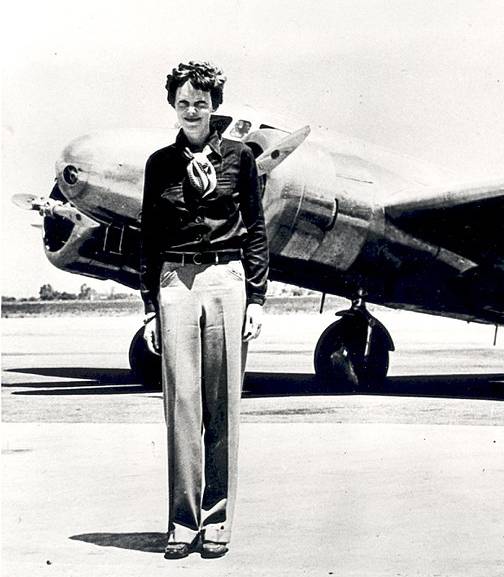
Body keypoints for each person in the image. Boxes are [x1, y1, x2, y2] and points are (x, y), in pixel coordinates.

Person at [139, 61, 269, 560]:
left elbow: (255, 230)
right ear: (172, 105)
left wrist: (256, 299)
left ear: (214, 105)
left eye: (201, 102)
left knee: (222, 409)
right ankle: (181, 522)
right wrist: (151, 307)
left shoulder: (240, 159)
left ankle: (216, 523)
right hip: (175, 281)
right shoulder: (159, 165)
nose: (191, 110)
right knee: (181, 409)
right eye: (183, 102)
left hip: (226, 280)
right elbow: (149, 239)